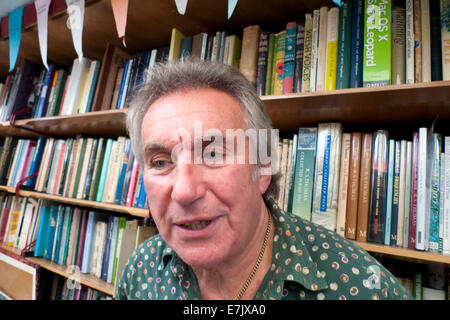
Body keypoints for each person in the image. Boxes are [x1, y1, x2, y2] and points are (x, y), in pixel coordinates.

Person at [115, 59, 412, 300]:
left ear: (263, 167)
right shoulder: (140, 270)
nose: (184, 191)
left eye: (214, 154)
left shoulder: (364, 288)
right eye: (161, 162)